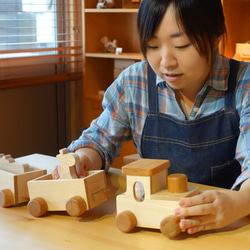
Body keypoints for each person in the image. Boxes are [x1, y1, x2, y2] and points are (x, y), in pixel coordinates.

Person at [54, 0, 250, 235]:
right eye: (153, 45)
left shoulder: (243, 84)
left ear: (216, 36)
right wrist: (83, 159)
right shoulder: (134, 83)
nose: (166, 62)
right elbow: (99, 141)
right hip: (153, 225)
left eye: (182, 45)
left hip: (227, 229)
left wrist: (240, 203)